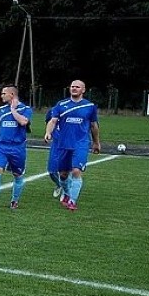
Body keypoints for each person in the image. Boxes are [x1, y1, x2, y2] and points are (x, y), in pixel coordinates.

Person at [44, 80, 101, 210]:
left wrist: (96, 142)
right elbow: (53, 121)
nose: (74, 88)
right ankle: (67, 193)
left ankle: (72, 201)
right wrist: (48, 132)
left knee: (76, 171)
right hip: (64, 144)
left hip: (80, 144)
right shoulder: (61, 105)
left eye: (77, 87)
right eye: (72, 86)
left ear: (83, 90)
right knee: (63, 174)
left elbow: (93, 126)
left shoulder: (90, 106)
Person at [0, 85, 33, 210]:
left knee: (17, 174)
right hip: (2, 146)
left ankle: (14, 200)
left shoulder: (25, 109)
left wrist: (13, 109)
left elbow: (23, 122)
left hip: (17, 147)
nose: (1, 96)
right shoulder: (0, 110)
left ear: (12, 94)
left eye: (4, 93)